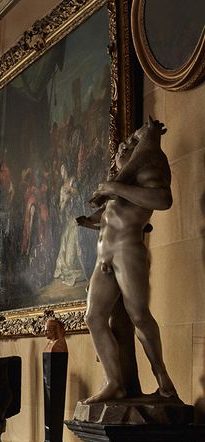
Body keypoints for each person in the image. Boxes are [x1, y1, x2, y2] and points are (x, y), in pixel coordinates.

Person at [77, 117, 176, 403]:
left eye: (124, 148)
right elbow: (115, 216)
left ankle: (164, 381)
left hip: (127, 252)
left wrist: (115, 189)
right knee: (94, 317)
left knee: (139, 315)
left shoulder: (149, 167)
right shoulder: (124, 179)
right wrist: (91, 221)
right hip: (104, 256)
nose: (119, 152)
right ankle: (113, 382)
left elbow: (162, 199)